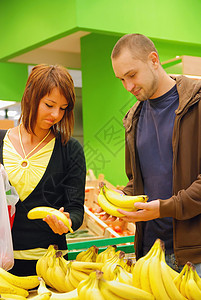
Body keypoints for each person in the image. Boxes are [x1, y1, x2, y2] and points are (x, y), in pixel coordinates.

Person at [109, 33, 201, 275]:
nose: (128, 86)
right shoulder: (133, 119)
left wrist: (164, 208)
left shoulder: (197, 103)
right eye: (121, 79)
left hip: (194, 256)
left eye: (132, 75)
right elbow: (139, 182)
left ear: (153, 59)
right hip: (150, 254)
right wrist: (121, 197)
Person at [0, 64, 86, 276]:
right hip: (3, 262)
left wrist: (67, 223)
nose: (56, 114)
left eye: (63, 108)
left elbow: (76, 210)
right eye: (49, 104)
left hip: (51, 264)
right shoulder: (0, 141)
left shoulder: (70, 150)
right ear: (30, 96)